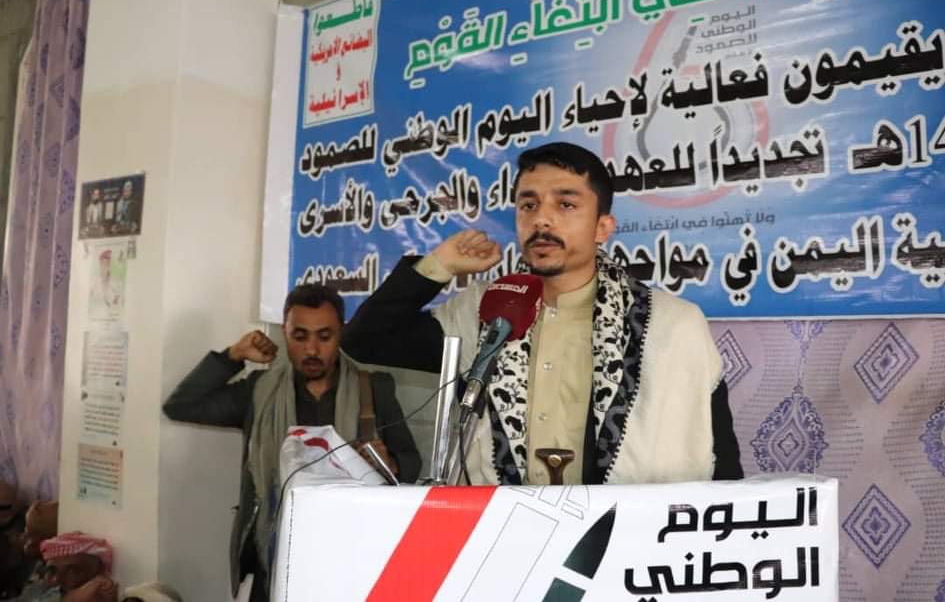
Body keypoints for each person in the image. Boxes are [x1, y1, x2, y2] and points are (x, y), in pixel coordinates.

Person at [343, 141, 743, 486]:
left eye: (565, 204)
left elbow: (720, 460)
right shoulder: (487, 310)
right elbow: (365, 341)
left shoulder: (670, 324)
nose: (541, 219)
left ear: (603, 228)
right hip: (500, 533)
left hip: (627, 537)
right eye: (528, 205)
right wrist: (439, 265)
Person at [163, 283, 420, 602]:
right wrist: (233, 355)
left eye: (324, 336)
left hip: (351, 557)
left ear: (341, 333)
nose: (311, 350)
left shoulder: (373, 389)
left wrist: (390, 463)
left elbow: (411, 462)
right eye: (300, 337)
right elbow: (181, 406)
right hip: (273, 557)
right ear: (285, 334)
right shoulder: (260, 393)